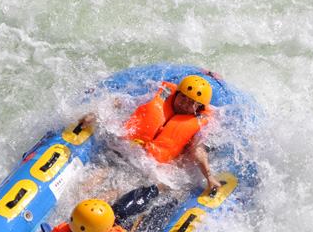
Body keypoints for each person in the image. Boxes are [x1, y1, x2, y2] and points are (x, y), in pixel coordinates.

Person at [79, 74, 222, 192]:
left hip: (150, 167)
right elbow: (121, 102)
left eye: (191, 102)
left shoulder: (199, 124)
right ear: (176, 93)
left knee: (116, 190)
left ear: (199, 107)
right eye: (182, 97)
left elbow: (198, 150)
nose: (184, 104)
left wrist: (209, 177)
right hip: (125, 149)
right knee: (97, 176)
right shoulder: (158, 98)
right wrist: (94, 114)